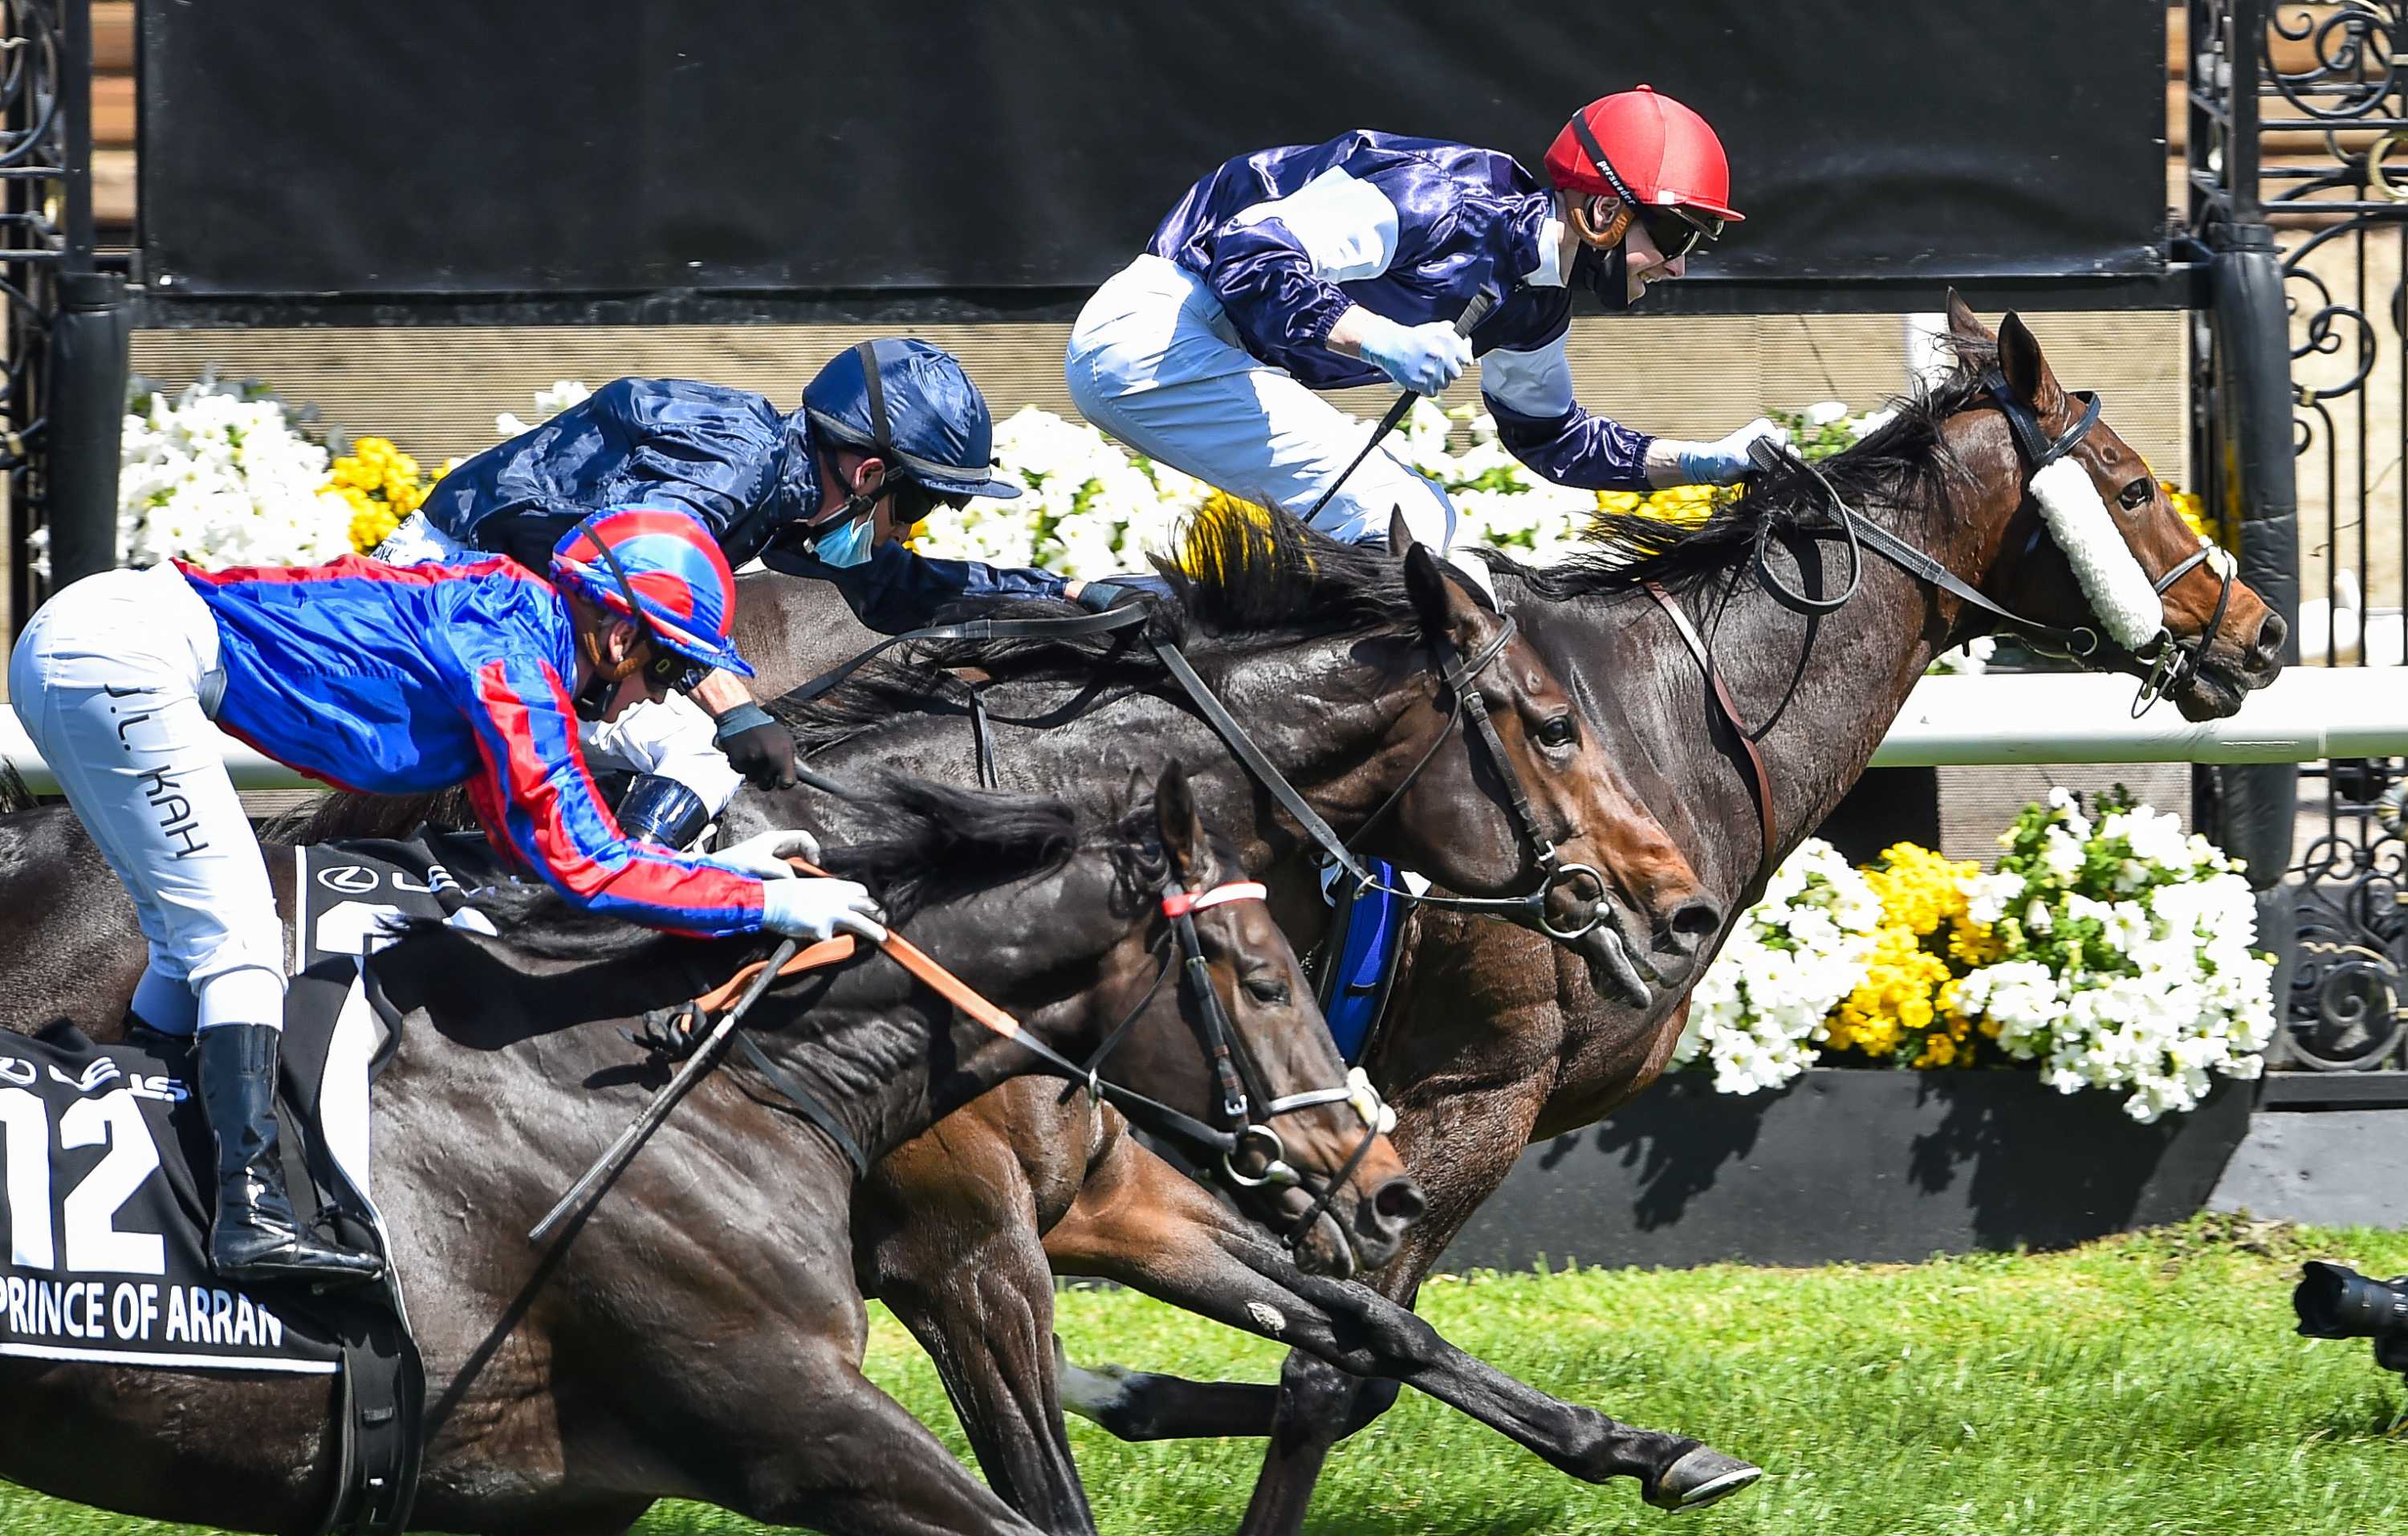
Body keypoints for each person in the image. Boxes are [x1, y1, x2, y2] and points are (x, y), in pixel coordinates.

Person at [6, 509, 882, 1286]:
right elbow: (587, 865)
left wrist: (736, 874)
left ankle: (172, 1176)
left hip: (106, 647)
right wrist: (763, 908)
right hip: (117, 658)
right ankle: (251, 1217)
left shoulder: (516, 632)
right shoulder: (510, 659)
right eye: (663, 668)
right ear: (617, 637)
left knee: (186, 948)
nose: (655, 693)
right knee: (237, 938)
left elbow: (535, 849)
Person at [379, 340, 1058, 847]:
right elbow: (631, 571)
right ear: (870, 473)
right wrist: (734, 709)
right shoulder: (740, 459)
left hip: (524, 606)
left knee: (679, 743)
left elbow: (899, 593)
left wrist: (1065, 594)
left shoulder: (792, 496)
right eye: (917, 506)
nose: (908, 531)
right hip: (451, 592)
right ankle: (592, 932)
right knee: (700, 752)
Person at [1064, 86, 1788, 560]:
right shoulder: (1441, 201)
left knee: (1407, 525)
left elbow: (1551, 438)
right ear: (1604, 213)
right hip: (1152, 337)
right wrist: (1379, 338)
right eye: (1677, 237)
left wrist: (1703, 462)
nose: (1679, 267)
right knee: (1407, 515)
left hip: (1197, 356)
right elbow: (1249, 252)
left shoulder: (1537, 302)